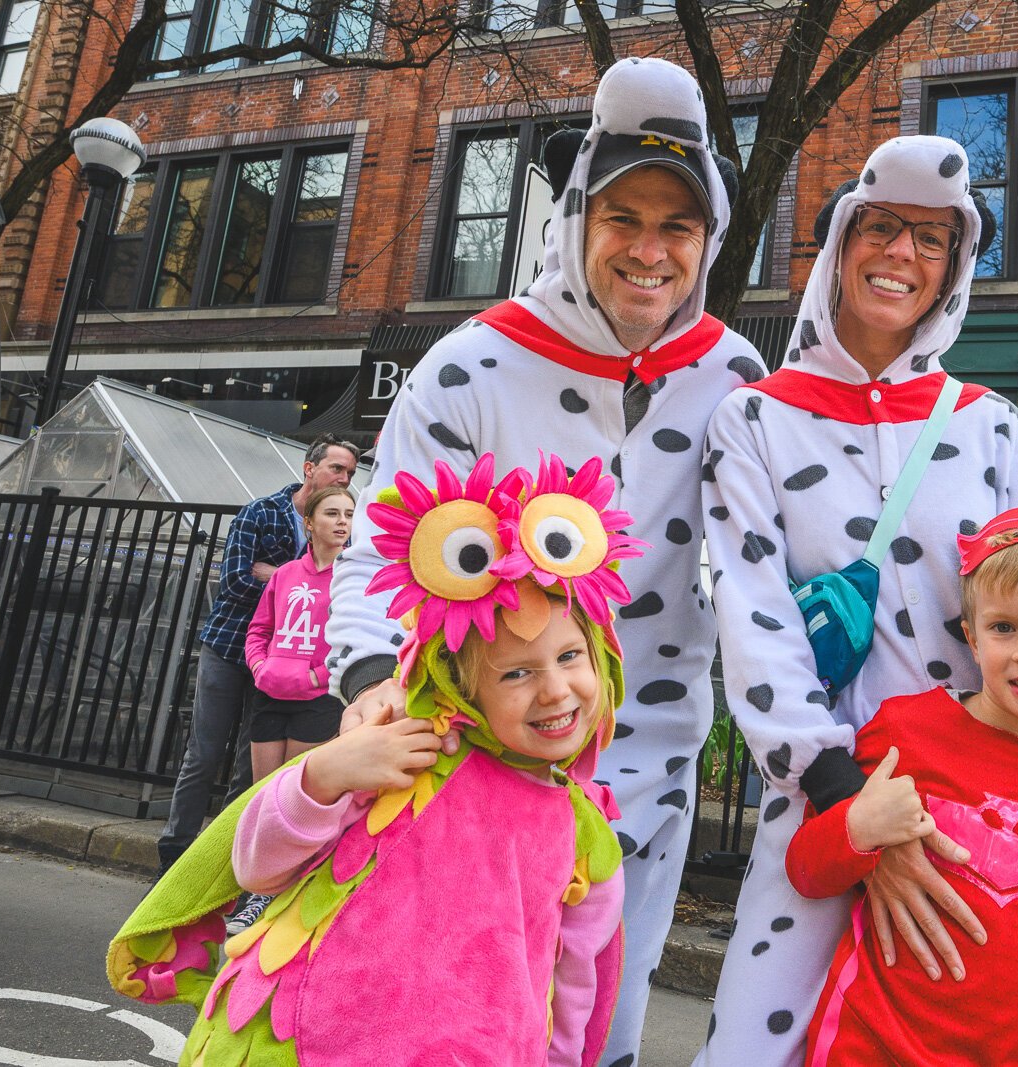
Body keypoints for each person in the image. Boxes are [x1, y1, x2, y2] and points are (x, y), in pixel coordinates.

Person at [323, 56, 764, 1061]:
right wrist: (365, 682)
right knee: (462, 1016)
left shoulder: (737, 376)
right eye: (623, 218)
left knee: (604, 1017)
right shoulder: (474, 360)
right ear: (575, 217)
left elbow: (769, 555)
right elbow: (380, 548)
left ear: (710, 240)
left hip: (650, 773)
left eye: (678, 225)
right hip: (474, 772)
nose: (649, 250)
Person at [696, 135, 1018, 1067]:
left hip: (1013, 817)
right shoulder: (753, 419)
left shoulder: (994, 423)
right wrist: (849, 800)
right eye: (884, 227)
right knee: (765, 1034)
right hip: (830, 803)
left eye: (933, 239)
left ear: (954, 270)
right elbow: (753, 613)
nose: (904, 253)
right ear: (839, 244)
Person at [109, 451, 636, 1065]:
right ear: (459, 686)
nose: (553, 690)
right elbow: (257, 865)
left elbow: (577, 981)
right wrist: (325, 774)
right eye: (516, 672)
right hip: (311, 1042)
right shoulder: (409, 750)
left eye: (572, 657)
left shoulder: (587, 832)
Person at [785, 509, 1018, 1065]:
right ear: (973, 642)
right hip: (866, 1046)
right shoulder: (904, 730)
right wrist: (857, 825)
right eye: (1004, 627)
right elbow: (808, 873)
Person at [156, 435, 357, 872]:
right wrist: (289, 579)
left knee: (251, 770)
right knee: (204, 753)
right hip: (232, 648)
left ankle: (230, 860)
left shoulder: (336, 552)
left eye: (349, 474)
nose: (344, 478)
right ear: (310, 468)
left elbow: (272, 577)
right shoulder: (261, 512)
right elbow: (235, 580)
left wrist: (281, 575)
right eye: (337, 469)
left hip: (289, 670)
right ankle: (174, 855)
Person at [223, 485, 355, 936]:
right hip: (271, 696)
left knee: (296, 798)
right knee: (263, 795)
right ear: (309, 523)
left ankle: (283, 898)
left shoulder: (351, 577)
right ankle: (254, 893)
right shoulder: (284, 576)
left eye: (349, 515)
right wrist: (261, 667)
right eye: (332, 513)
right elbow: (259, 629)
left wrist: (317, 676)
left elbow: (352, 641)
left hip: (317, 701)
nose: (342, 522)